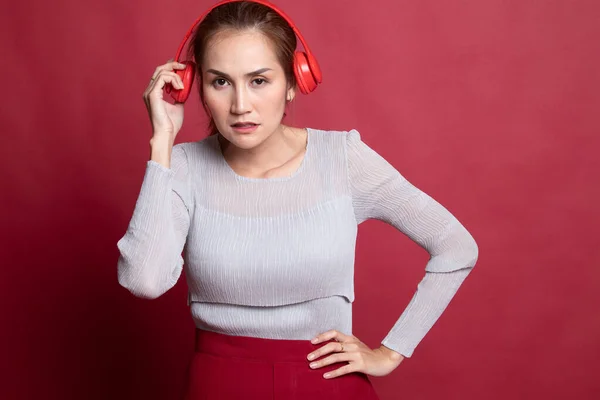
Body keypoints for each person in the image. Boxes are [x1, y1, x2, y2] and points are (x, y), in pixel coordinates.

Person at [116, 1, 479, 399]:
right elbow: (144, 280)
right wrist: (162, 142)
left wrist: (391, 352)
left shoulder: (342, 159)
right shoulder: (183, 167)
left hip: (326, 384)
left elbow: (456, 247)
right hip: (219, 385)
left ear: (293, 81)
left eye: (259, 80)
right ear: (195, 86)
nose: (240, 105)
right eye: (220, 82)